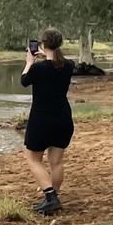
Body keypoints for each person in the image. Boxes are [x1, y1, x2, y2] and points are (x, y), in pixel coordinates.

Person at [20, 28, 75, 214]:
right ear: (59, 43)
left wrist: (29, 62)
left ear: (43, 44)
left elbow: (24, 81)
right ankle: (53, 198)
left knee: (32, 158)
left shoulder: (38, 68)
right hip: (63, 119)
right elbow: (56, 63)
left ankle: (50, 196)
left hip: (41, 120)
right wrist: (46, 53)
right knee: (56, 162)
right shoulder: (68, 65)